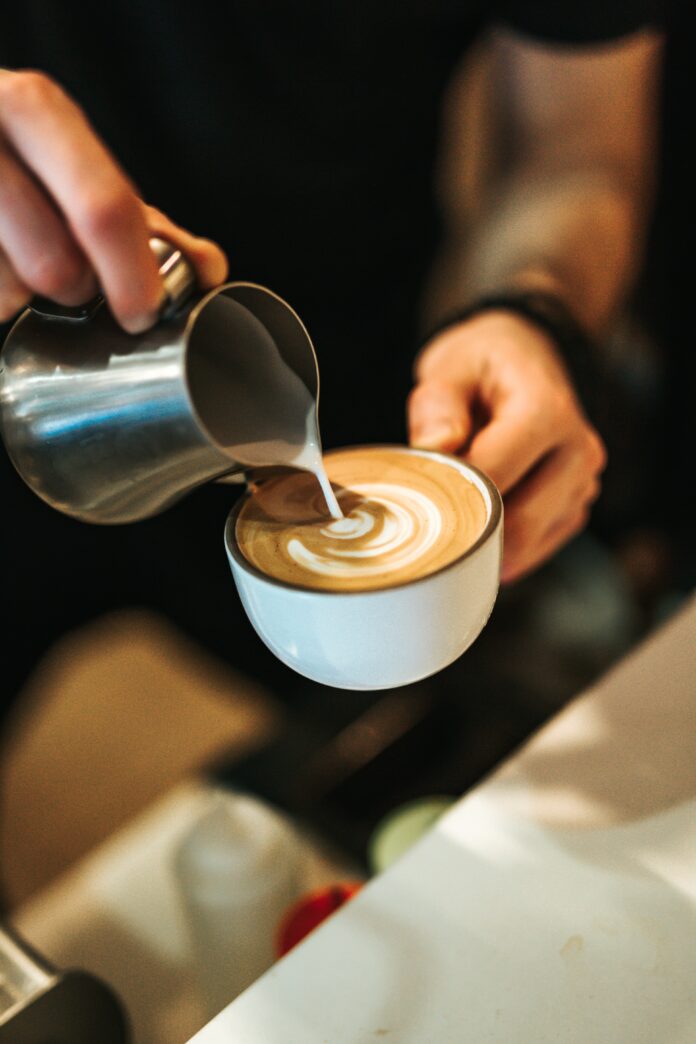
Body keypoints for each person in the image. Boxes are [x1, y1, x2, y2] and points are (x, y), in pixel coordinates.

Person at [0, 5, 663, 701]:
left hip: (354, 387)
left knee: (400, 722)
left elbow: (573, 156)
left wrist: (526, 311)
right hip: (28, 348)